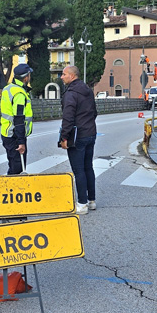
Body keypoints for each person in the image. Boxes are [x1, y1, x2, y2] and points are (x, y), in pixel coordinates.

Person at [59, 65, 98, 215]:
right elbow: (94, 112)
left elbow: (68, 118)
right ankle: (91, 200)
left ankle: (82, 204)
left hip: (77, 136)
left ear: (72, 76)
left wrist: (64, 137)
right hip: (91, 133)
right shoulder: (88, 91)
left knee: (79, 170)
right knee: (88, 167)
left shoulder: (71, 94)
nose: (61, 77)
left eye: (64, 74)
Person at [0, 63, 34, 175]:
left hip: (7, 132)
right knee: (17, 169)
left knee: (14, 166)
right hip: (14, 135)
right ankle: (10, 191)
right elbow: (19, 119)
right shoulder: (19, 93)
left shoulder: (8, 88)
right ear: (26, 77)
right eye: (29, 75)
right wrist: (21, 142)